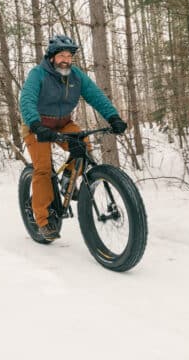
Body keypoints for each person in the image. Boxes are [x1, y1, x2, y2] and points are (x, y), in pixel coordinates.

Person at [19, 35, 127, 241]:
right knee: (42, 168)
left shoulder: (76, 75)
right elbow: (27, 100)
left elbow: (96, 96)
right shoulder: (38, 74)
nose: (66, 60)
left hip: (63, 122)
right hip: (37, 125)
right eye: (61, 55)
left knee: (83, 147)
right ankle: (42, 221)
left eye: (69, 56)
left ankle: (68, 178)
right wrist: (36, 125)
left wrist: (113, 117)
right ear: (51, 57)